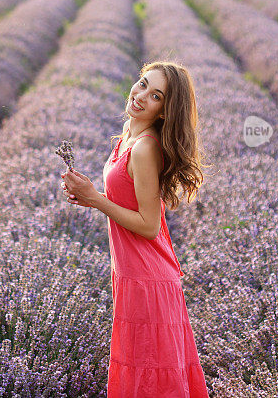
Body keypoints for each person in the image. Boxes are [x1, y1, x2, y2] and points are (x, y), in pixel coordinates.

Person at [61, 61, 210, 398]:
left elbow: (148, 225)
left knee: (151, 380)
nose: (141, 95)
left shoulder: (144, 148)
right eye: (143, 84)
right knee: (141, 374)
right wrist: (92, 196)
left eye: (155, 95)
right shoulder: (130, 135)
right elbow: (130, 202)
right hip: (132, 273)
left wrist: (97, 202)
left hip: (147, 279)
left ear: (163, 111)